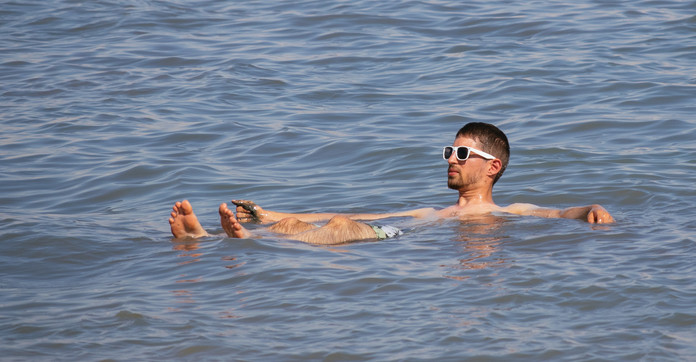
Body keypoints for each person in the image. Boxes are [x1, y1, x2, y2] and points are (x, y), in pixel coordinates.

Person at [169, 122, 614, 245]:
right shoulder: (431, 212)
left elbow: (557, 213)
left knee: (340, 224)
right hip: (397, 234)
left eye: (462, 154)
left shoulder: (505, 212)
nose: (451, 160)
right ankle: (210, 238)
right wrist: (273, 214)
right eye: (449, 152)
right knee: (302, 225)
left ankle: (242, 240)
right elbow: (369, 216)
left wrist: (590, 208)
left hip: (395, 244)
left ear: (493, 166)